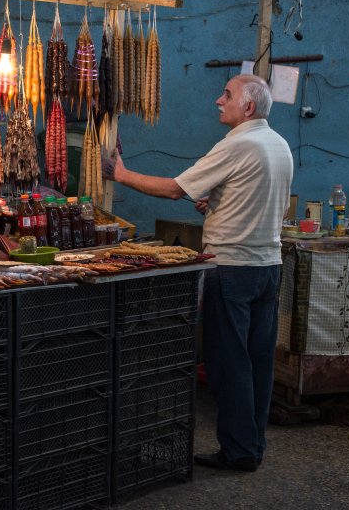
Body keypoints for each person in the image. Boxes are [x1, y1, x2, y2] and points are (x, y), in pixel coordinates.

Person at [104, 74, 292, 472]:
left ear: (249, 107)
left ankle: (239, 451)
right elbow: (258, 199)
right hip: (268, 268)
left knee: (230, 365)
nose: (217, 101)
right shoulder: (278, 145)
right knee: (258, 362)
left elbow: (175, 189)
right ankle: (253, 445)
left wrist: (122, 175)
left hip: (231, 269)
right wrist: (220, 205)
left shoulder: (238, 144)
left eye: (227, 95)